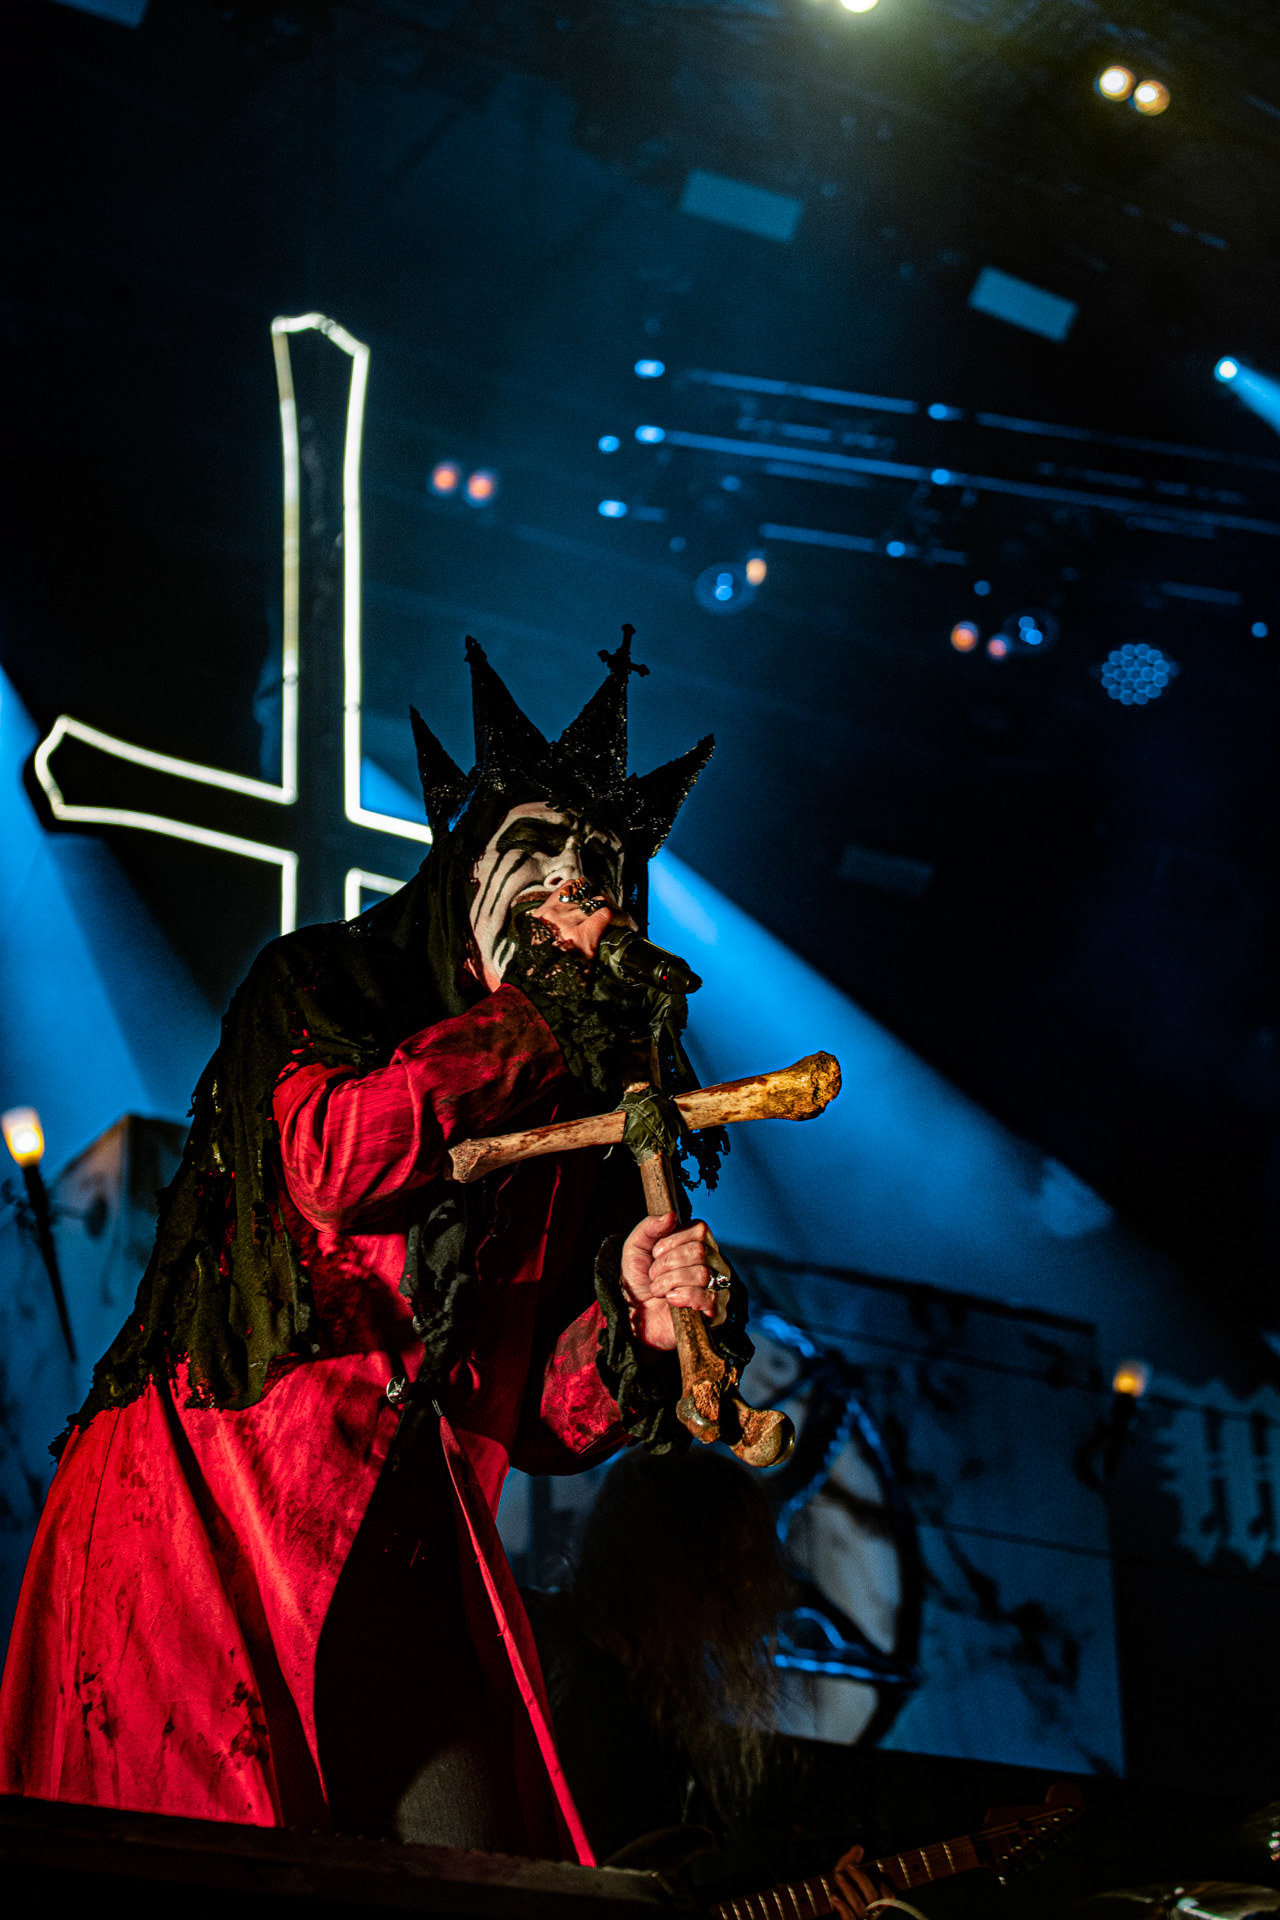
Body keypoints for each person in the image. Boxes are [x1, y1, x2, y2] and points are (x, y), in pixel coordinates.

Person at [0, 632, 751, 1862]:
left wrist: (631, 1319)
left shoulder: (570, 1096)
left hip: (400, 1552)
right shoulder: (327, 986)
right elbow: (339, 1169)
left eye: (603, 871)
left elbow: (536, 1419)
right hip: (206, 1522)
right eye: (545, 858)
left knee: (471, 1870)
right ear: (468, 870)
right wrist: (531, 1025)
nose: (580, 895)